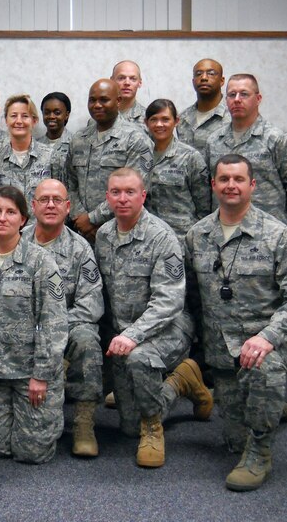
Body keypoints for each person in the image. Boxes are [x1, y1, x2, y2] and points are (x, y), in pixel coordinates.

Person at [186, 154, 287, 491]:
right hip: (222, 345)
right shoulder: (197, 235)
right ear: (214, 185)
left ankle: (260, 451)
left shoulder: (277, 236)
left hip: (271, 340)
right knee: (232, 439)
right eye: (224, 179)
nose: (231, 185)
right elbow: (192, 299)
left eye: (239, 179)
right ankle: (275, 404)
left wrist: (268, 337)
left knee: (262, 370)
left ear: (252, 185)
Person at [96, 168, 213, 468]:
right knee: (126, 427)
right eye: (116, 192)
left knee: (140, 359)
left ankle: (153, 428)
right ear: (107, 196)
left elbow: (169, 301)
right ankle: (182, 382)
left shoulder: (162, 237)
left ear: (143, 195)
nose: (123, 199)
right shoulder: (103, 236)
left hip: (170, 327)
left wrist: (132, 336)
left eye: (130, 192)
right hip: (125, 334)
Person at [0, 186, 67, 463]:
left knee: (32, 453)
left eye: (11, 212)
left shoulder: (41, 262)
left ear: (23, 219)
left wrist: (42, 374)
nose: (3, 218)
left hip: (30, 375)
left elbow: (54, 322)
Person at [23, 179, 104, 457]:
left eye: (57, 200)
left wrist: (51, 331)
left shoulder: (80, 249)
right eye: (43, 199)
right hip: (19, 331)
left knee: (87, 339)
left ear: (68, 207)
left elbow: (90, 305)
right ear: (32, 206)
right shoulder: (16, 241)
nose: (50, 205)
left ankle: (83, 422)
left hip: (64, 329)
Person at [205, 74, 287, 225]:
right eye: (232, 94)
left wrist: (282, 224)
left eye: (244, 94)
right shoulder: (214, 141)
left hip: (266, 235)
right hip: (223, 231)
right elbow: (206, 188)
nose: (237, 99)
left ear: (258, 99)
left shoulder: (278, 140)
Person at [66, 79, 153, 243]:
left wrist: (92, 219)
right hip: (82, 235)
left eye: (104, 100)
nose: (97, 105)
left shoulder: (136, 140)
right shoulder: (78, 139)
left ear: (118, 101)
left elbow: (136, 190)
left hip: (122, 234)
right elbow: (71, 183)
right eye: (92, 100)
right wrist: (80, 218)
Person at [144, 98, 211, 243]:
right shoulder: (139, 155)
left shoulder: (190, 157)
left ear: (176, 121)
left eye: (165, 119)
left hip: (181, 238)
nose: (159, 124)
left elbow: (204, 207)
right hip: (147, 238)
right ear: (146, 123)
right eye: (154, 119)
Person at [0, 94, 53, 213]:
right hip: (6, 227)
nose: (19, 121)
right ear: (6, 120)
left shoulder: (50, 156)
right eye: (13, 116)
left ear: (34, 121)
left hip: (41, 229)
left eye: (25, 116)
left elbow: (59, 197)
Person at [176, 58, 230, 154]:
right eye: (198, 74)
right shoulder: (182, 119)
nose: (204, 77)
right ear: (193, 81)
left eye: (211, 73)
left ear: (222, 81)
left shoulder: (233, 116)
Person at [36, 92, 73, 184]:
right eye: (47, 112)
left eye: (57, 113)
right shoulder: (34, 146)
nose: (51, 116)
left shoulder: (76, 143)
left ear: (66, 115)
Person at [112, 60, 146, 126]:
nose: (127, 83)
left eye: (133, 79)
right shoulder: (100, 116)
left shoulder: (149, 119)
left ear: (140, 83)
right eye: (121, 78)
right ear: (112, 80)